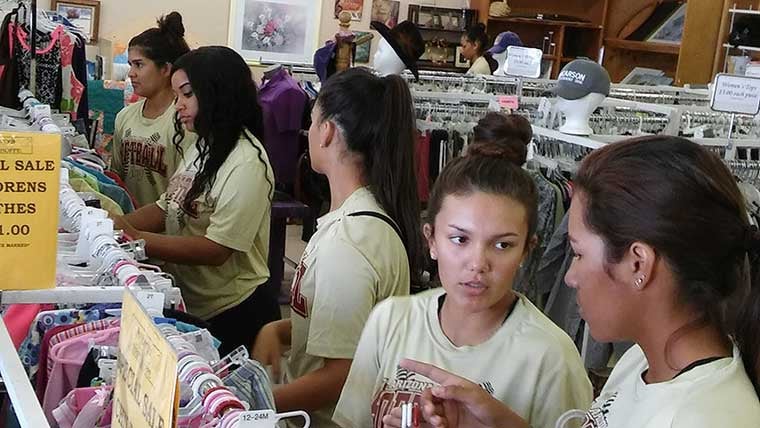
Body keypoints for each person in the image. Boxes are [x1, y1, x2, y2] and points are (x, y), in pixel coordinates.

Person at [400, 136, 760, 428]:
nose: (570, 277)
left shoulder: (703, 416)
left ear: (638, 264)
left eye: (579, 254)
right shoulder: (647, 361)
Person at [334, 143, 593, 428]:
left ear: (526, 252)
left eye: (502, 244)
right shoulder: (391, 319)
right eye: (460, 239)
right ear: (431, 240)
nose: (478, 263)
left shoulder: (551, 357)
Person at [252, 67, 425, 427]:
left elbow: (341, 373)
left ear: (327, 131)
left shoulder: (348, 242)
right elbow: (346, 330)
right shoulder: (357, 220)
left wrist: (254, 402)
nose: (309, 133)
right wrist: (277, 330)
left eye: (312, 122)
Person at [113, 46, 276, 355]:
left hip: (234, 310)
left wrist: (138, 239)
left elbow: (217, 249)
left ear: (217, 93)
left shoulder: (247, 163)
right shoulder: (203, 145)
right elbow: (167, 206)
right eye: (177, 97)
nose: (178, 106)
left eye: (186, 95)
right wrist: (117, 226)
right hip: (195, 302)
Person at [110, 12, 193, 207]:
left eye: (139, 65)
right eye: (130, 65)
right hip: (128, 227)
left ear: (165, 69)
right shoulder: (125, 117)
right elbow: (116, 179)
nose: (131, 73)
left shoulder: (184, 121)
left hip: (169, 233)